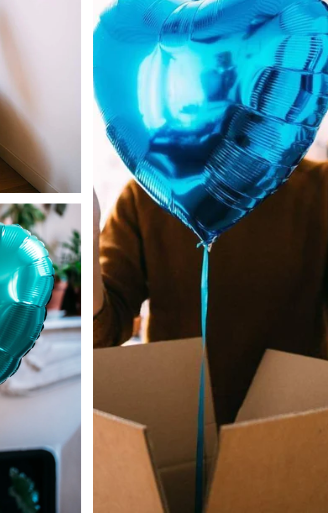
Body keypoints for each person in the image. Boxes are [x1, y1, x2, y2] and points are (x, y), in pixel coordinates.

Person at [93, 159, 328, 425]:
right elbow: (102, 332)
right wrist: (88, 237)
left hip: (296, 426)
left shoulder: (319, 188)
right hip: (175, 429)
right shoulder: (148, 193)